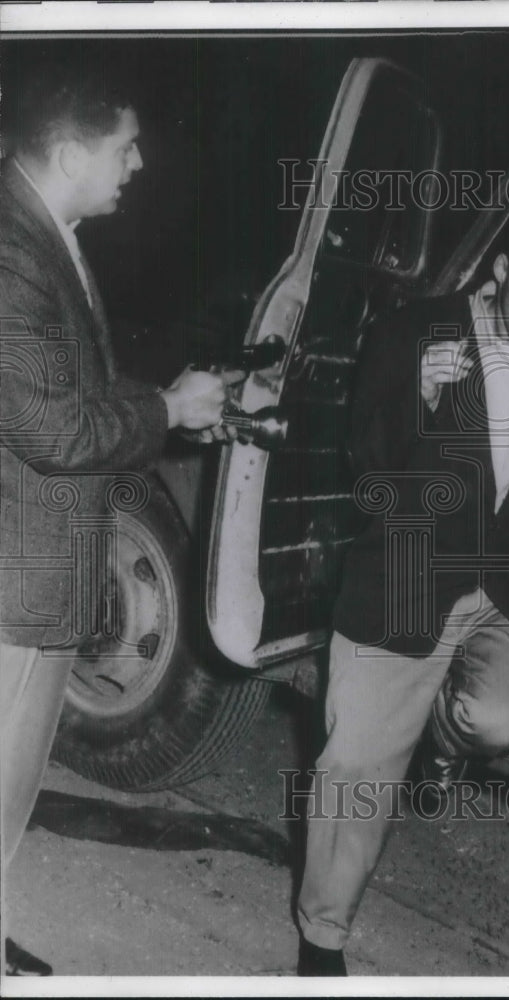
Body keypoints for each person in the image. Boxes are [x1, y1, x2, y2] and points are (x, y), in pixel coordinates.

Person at [295, 212, 509, 975]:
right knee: (354, 770)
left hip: (500, 592)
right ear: (499, 271)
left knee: (501, 723)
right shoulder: (413, 331)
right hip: (410, 577)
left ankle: (440, 744)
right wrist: (416, 400)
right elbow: (365, 463)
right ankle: (321, 940)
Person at [0, 65, 241, 974]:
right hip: (15, 569)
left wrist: (163, 401)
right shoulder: (10, 248)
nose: (138, 162)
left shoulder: (43, 228)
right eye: (123, 146)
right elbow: (55, 428)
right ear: (68, 154)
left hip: (41, 561)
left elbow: (74, 388)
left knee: (12, 779)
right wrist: (167, 412)